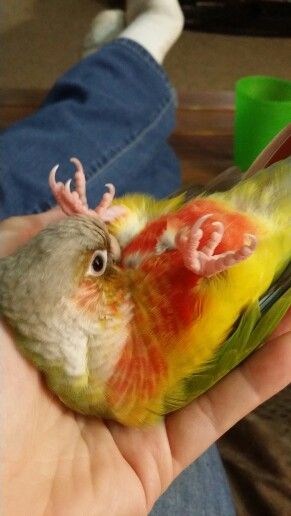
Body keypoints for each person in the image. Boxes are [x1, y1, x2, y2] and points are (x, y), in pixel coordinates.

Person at [1, 1, 290, 514]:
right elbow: (232, 329)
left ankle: (130, 62)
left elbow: (143, 223)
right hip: (251, 247)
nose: (109, 259)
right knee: (131, 160)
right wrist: (196, 272)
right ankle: (132, 57)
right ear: (78, 302)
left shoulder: (98, 297)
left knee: (136, 187)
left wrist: (105, 220)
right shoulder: (129, 397)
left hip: (196, 215)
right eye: (97, 265)